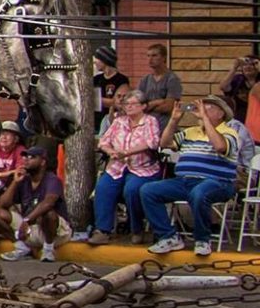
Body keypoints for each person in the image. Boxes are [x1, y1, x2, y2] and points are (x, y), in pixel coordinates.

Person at [141, 94, 244, 256]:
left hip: (218, 182)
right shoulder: (190, 132)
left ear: (221, 113)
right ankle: (169, 237)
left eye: (208, 108)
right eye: (202, 107)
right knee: (148, 190)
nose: (202, 110)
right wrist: (174, 120)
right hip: (185, 181)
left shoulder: (230, 132)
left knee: (199, 193)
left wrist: (206, 120)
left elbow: (220, 147)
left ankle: (203, 239)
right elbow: (165, 143)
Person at [86, 89, 162, 243]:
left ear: (143, 106)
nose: (129, 106)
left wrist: (126, 152)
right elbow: (103, 142)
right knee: (103, 187)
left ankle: (136, 229)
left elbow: (152, 143)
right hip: (118, 166)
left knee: (132, 189)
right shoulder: (119, 121)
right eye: (127, 103)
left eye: (133, 103)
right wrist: (111, 152)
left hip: (142, 167)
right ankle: (102, 230)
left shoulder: (150, 121)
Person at [0, 145, 66, 261]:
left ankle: (48, 250)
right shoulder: (24, 179)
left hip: (54, 231)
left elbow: (48, 203)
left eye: (32, 157)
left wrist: (27, 220)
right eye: (25, 157)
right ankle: (22, 248)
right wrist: (15, 182)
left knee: (48, 214)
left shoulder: (52, 179)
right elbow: (4, 204)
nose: (26, 159)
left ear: (42, 162)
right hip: (28, 228)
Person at [136, 43, 182, 126]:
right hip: (146, 126)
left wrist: (147, 106)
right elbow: (137, 106)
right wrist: (158, 102)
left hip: (165, 126)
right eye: (148, 56)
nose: (150, 59)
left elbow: (168, 107)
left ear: (163, 58)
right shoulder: (144, 80)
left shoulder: (172, 79)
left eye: (154, 56)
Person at [92, 46, 128, 136]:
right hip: (94, 122)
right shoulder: (96, 79)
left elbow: (116, 103)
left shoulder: (121, 80)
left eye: (97, 58)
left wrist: (95, 99)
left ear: (105, 60)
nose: (94, 61)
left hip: (111, 123)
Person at [220, 54, 259, 134]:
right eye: (244, 65)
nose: (248, 67)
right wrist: (234, 68)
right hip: (241, 120)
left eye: (252, 64)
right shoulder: (238, 80)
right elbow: (223, 87)